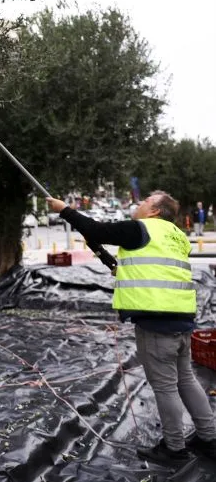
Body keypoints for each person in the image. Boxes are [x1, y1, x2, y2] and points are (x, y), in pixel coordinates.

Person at [47, 191, 216, 464]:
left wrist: (64, 209)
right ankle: (209, 439)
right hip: (182, 319)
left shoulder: (140, 228)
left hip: (156, 322)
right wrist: (124, 269)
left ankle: (174, 448)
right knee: (186, 379)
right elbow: (159, 269)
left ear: (155, 211)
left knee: (165, 387)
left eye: (146, 201)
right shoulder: (177, 236)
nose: (140, 203)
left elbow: (95, 230)